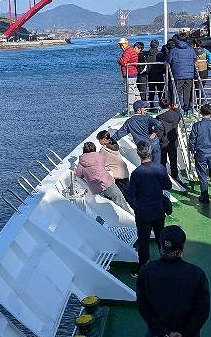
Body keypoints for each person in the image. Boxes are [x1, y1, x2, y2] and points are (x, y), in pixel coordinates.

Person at [126, 141, 172, 273]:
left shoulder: (136, 173)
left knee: (143, 241)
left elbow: (130, 195)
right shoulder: (160, 168)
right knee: (160, 237)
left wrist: (137, 208)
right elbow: (167, 186)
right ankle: (167, 262)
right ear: (150, 152)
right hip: (158, 210)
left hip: (143, 213)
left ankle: (142, 267)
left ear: (138, 154)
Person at [75, 142, 132, 212]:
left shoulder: (81, 161)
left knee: (110, 208)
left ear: (84, 150)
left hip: (97, 189)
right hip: (108, 183)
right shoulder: (99, 156)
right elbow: (103, 165)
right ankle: (131, 219)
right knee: (121, 202)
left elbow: (78, 174)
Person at [188, 105, 211, 203]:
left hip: (200, 153)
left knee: (202, 175)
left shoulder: (196, 126)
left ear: (200, 113)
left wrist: (192, 150)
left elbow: (192, 140)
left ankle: (205, 197)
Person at [167, 34, 197, 113]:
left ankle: (178, 109)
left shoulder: (173, 50)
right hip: (189, 75)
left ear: (178, 40)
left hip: (177, 74)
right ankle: (187, 109)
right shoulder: (191, 49)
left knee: (177, 92)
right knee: (187, 92)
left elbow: (168, 61)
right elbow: (195, 59)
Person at [157, 99, 182, 181]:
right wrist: (176, 109)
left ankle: (163, 177)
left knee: (162, 161)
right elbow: (179, 116)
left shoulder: (158, 117)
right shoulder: (176, 115)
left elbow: (159, 132)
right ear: (169, 105)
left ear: (160, 106)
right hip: (173, 140)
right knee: (173, 160)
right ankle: (175, 176)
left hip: (163, 142)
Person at [117, 38, 139, 108]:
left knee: (130, 92)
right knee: (135, 90)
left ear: (126, 44)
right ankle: (140, 106)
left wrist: (119, 60)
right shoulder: (132, 50)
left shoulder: (127, 51)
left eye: (122, 45)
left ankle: (131, 109)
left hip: (129, 74)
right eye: (120, 45)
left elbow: (123, 61)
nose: (121, 47)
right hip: (133, 73)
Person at [145, 39, 166, 105]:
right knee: (161, 92)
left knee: (151, 92)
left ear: (150, 45)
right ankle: (162, 105)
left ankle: (151, 105)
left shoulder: (147, 54)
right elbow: (163, 66)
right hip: (159, 75)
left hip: (150, 75)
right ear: (157, 45)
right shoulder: (160, 54)